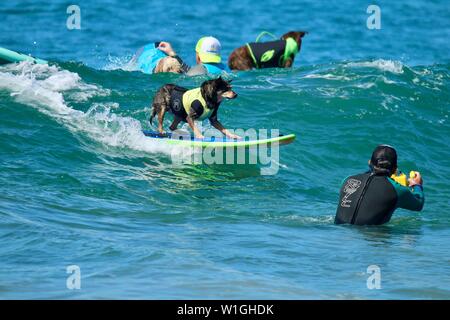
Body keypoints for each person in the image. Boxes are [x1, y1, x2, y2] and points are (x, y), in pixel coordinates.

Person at [335, 145, 425, 226]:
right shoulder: (396, 190)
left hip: (338, 236)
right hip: (368, 239)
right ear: (395, 169)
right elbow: (418, 204)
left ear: (369, 162)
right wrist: (417, 185)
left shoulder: (347, 180)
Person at [157, 36, 228, 76]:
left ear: (198, 56)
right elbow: (187, 69)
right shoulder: (224, 68)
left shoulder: (199, 69)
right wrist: (172, 53)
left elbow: (188, 73)